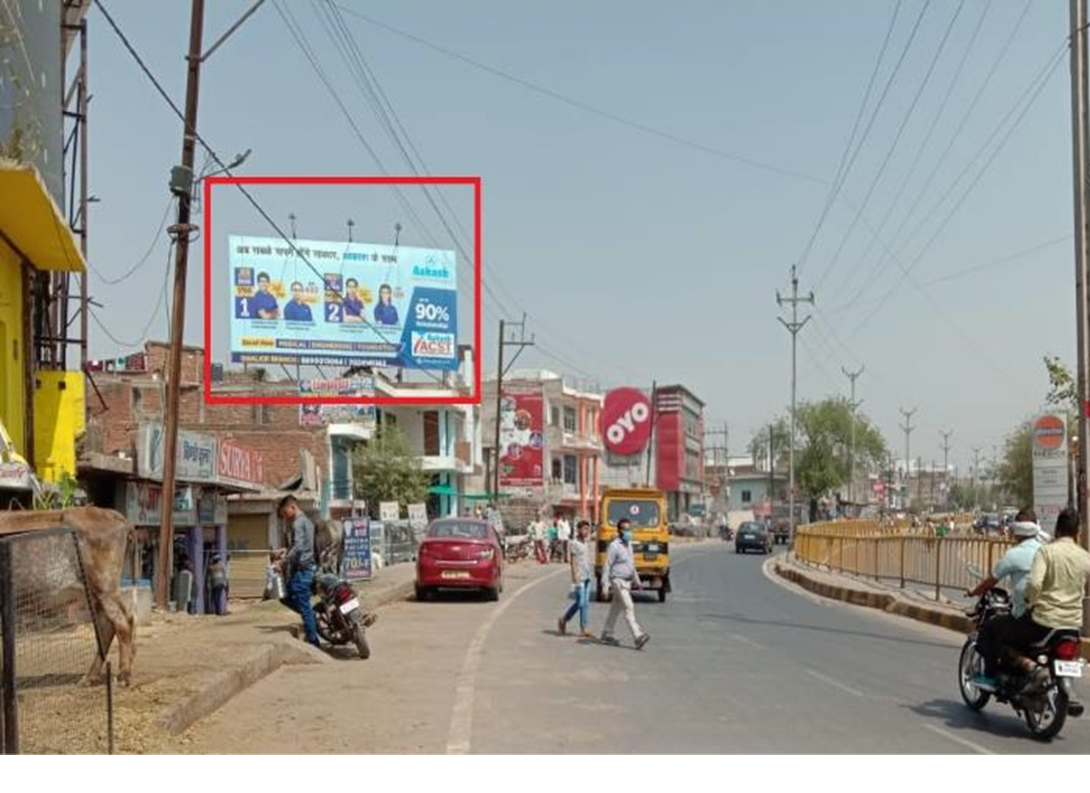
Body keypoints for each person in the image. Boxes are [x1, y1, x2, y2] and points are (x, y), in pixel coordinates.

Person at [1002, 507, 1090, 686]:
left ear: (1057, 529)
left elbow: (1034, 584)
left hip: (1045, 621)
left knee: (1005, 641)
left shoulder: (1046, 552)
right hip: (1073, 625)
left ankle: (1030, 666)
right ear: (1078, 532)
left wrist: (1029, 601)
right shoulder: (1085, 557)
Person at [968, 508, 1043, 689]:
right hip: (1049, 616)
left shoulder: (1014, 554)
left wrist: (973, 592)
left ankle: (990, 676)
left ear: (1017, 531)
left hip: (1024, 615)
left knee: (989, 630)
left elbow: (991, 581)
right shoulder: (1046, 551)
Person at [276, 495, 320, 647]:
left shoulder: (297, 523)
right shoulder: (307, 521)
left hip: (302, 571)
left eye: (285, 513)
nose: (285, 518)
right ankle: (311, 618)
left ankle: (313, 640)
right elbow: (301, 545)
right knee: (286, 596)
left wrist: (282, 562)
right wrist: (286, 550)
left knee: (303, 605)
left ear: (292, 507)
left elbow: (300, 547)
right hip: (306, 569)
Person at [599, 519, 650, 649]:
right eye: (625, 529)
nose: (628, 532)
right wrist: (605, 585)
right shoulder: (614, 546)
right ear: (619, 531)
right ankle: (637, 635)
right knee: (628, 606)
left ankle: (606, 633)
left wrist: (637, 581)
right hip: (617, 581)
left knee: (615, 609)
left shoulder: (629, 545)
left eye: (629, 529)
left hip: (627, 581)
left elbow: (631, 566)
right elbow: (607, 565)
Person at [558, 520, 595, 639]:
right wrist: (574, 577)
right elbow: (573, 562)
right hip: (579, 577)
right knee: (580, 603)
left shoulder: (586, 543)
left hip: (587, 575)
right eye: (584, 529)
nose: (586, 531)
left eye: (587, 529)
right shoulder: (574, 543)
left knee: (585, 604)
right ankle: (564, 619)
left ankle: (583, 628)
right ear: (578, 530)